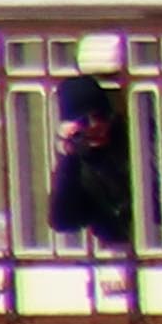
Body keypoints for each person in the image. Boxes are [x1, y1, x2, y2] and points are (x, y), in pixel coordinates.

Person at [40, 71, 133, 248]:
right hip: (118, 249)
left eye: (100, 116)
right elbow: (63, 221)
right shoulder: (78, 167)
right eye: (84, 121)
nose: (94, 125)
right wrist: (69, 158)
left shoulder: (134, 141)